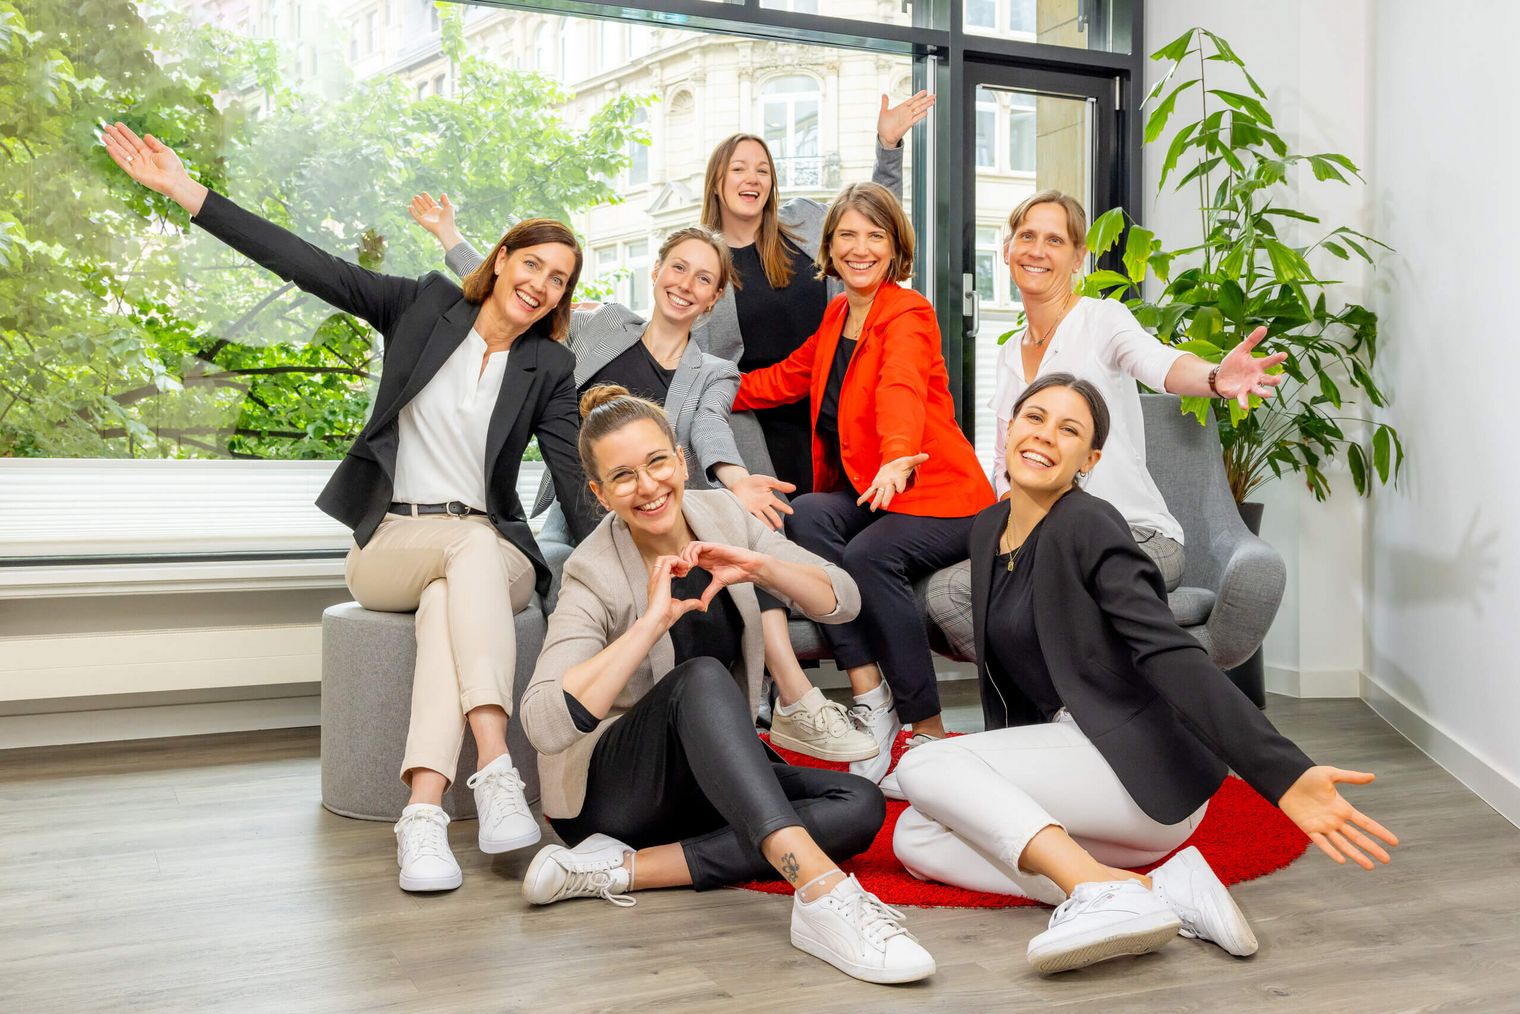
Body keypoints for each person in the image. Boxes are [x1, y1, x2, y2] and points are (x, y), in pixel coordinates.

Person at [101, 122, 599, 894]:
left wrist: (626, 560)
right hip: (391, 541)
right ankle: (496, 768)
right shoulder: (422, 307)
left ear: (564, 296)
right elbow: (307, 266)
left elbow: (574, 476)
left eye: (558, 277)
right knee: (449, 563)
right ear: (499, 260)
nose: (540, 282)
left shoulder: (550, 366)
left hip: (487, 551)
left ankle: (423, 818)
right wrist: (186, 192)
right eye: (530, 262)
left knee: (458, 579)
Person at [891, 373, 1397, 975]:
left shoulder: (1089, 523)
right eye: (1035, 418)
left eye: (1069, 429)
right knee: (917, 839)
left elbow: (1168, 650)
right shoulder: (987, 530)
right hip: (1082, 768)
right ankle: (1156, 892)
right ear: (1009, 427)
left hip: (1137, 766)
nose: (1046, 436)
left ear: (1091, 458)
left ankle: (1101, 894)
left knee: (924, 762)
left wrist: (1284, 773)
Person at [412, 203, 876, 762]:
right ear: (655, 273)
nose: (686, 285)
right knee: (559, 568)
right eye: (678, 269)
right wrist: (450, 236)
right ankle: (593, 734)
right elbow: (525, 298)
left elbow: (708, 430)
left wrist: (734, 481)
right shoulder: (600, 326)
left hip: (655, 520)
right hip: (576, 511)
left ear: (712, 301)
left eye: (704, 279)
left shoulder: (714, 372)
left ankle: (738, 711)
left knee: (733, 550)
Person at [517, 386, 936, 985]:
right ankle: (821, 893)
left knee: (860, 804)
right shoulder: (592, 570)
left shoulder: (724, 516)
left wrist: (762, 566)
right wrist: (650, 623)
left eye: (658, 461)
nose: (649, 485)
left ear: (682, 460)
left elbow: (842, 599)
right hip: (612, 794)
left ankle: (617, 872)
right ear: (600, 493)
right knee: (702, 679)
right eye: (623, 476)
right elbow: (543, 721)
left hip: (703, 783)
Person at [929, 189, 1287, 658]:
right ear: (1008, 249)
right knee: (947, 593)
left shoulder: (1102, 320)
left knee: (1057, 585)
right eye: (1027, 236)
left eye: (1055, 240)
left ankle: (1084, 708)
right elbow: (1004, 460)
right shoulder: (1008, 351)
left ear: (1079, 257)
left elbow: (1158, 363)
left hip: (1135, 539)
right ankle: (1060, 699)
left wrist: (1217, 378)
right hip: (1045, 544)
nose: (1037, 250)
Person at [734, 182, 995, 782]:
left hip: (940, 496)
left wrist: (899, 455)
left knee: (869, 555)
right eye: (847, 234)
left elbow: (898, 387)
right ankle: (869, 695)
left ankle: (924, 730)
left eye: (875, 235)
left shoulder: (908, 313)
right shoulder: (836, 316)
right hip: (878, 494)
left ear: (894, 246)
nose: (860, 247)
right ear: (830, 246)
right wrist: (697, 386)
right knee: (805, 518)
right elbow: (784, 379)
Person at [695, 92, 935, 494]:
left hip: (836, 403)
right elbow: (679, 330)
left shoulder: (805, 219)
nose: (752, 179)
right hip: (757, 417)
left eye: (762, 170)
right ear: (717, 183)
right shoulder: (704, 260)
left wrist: (888, 147)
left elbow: (872, 223)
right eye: (738, 169)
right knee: (782, 526)